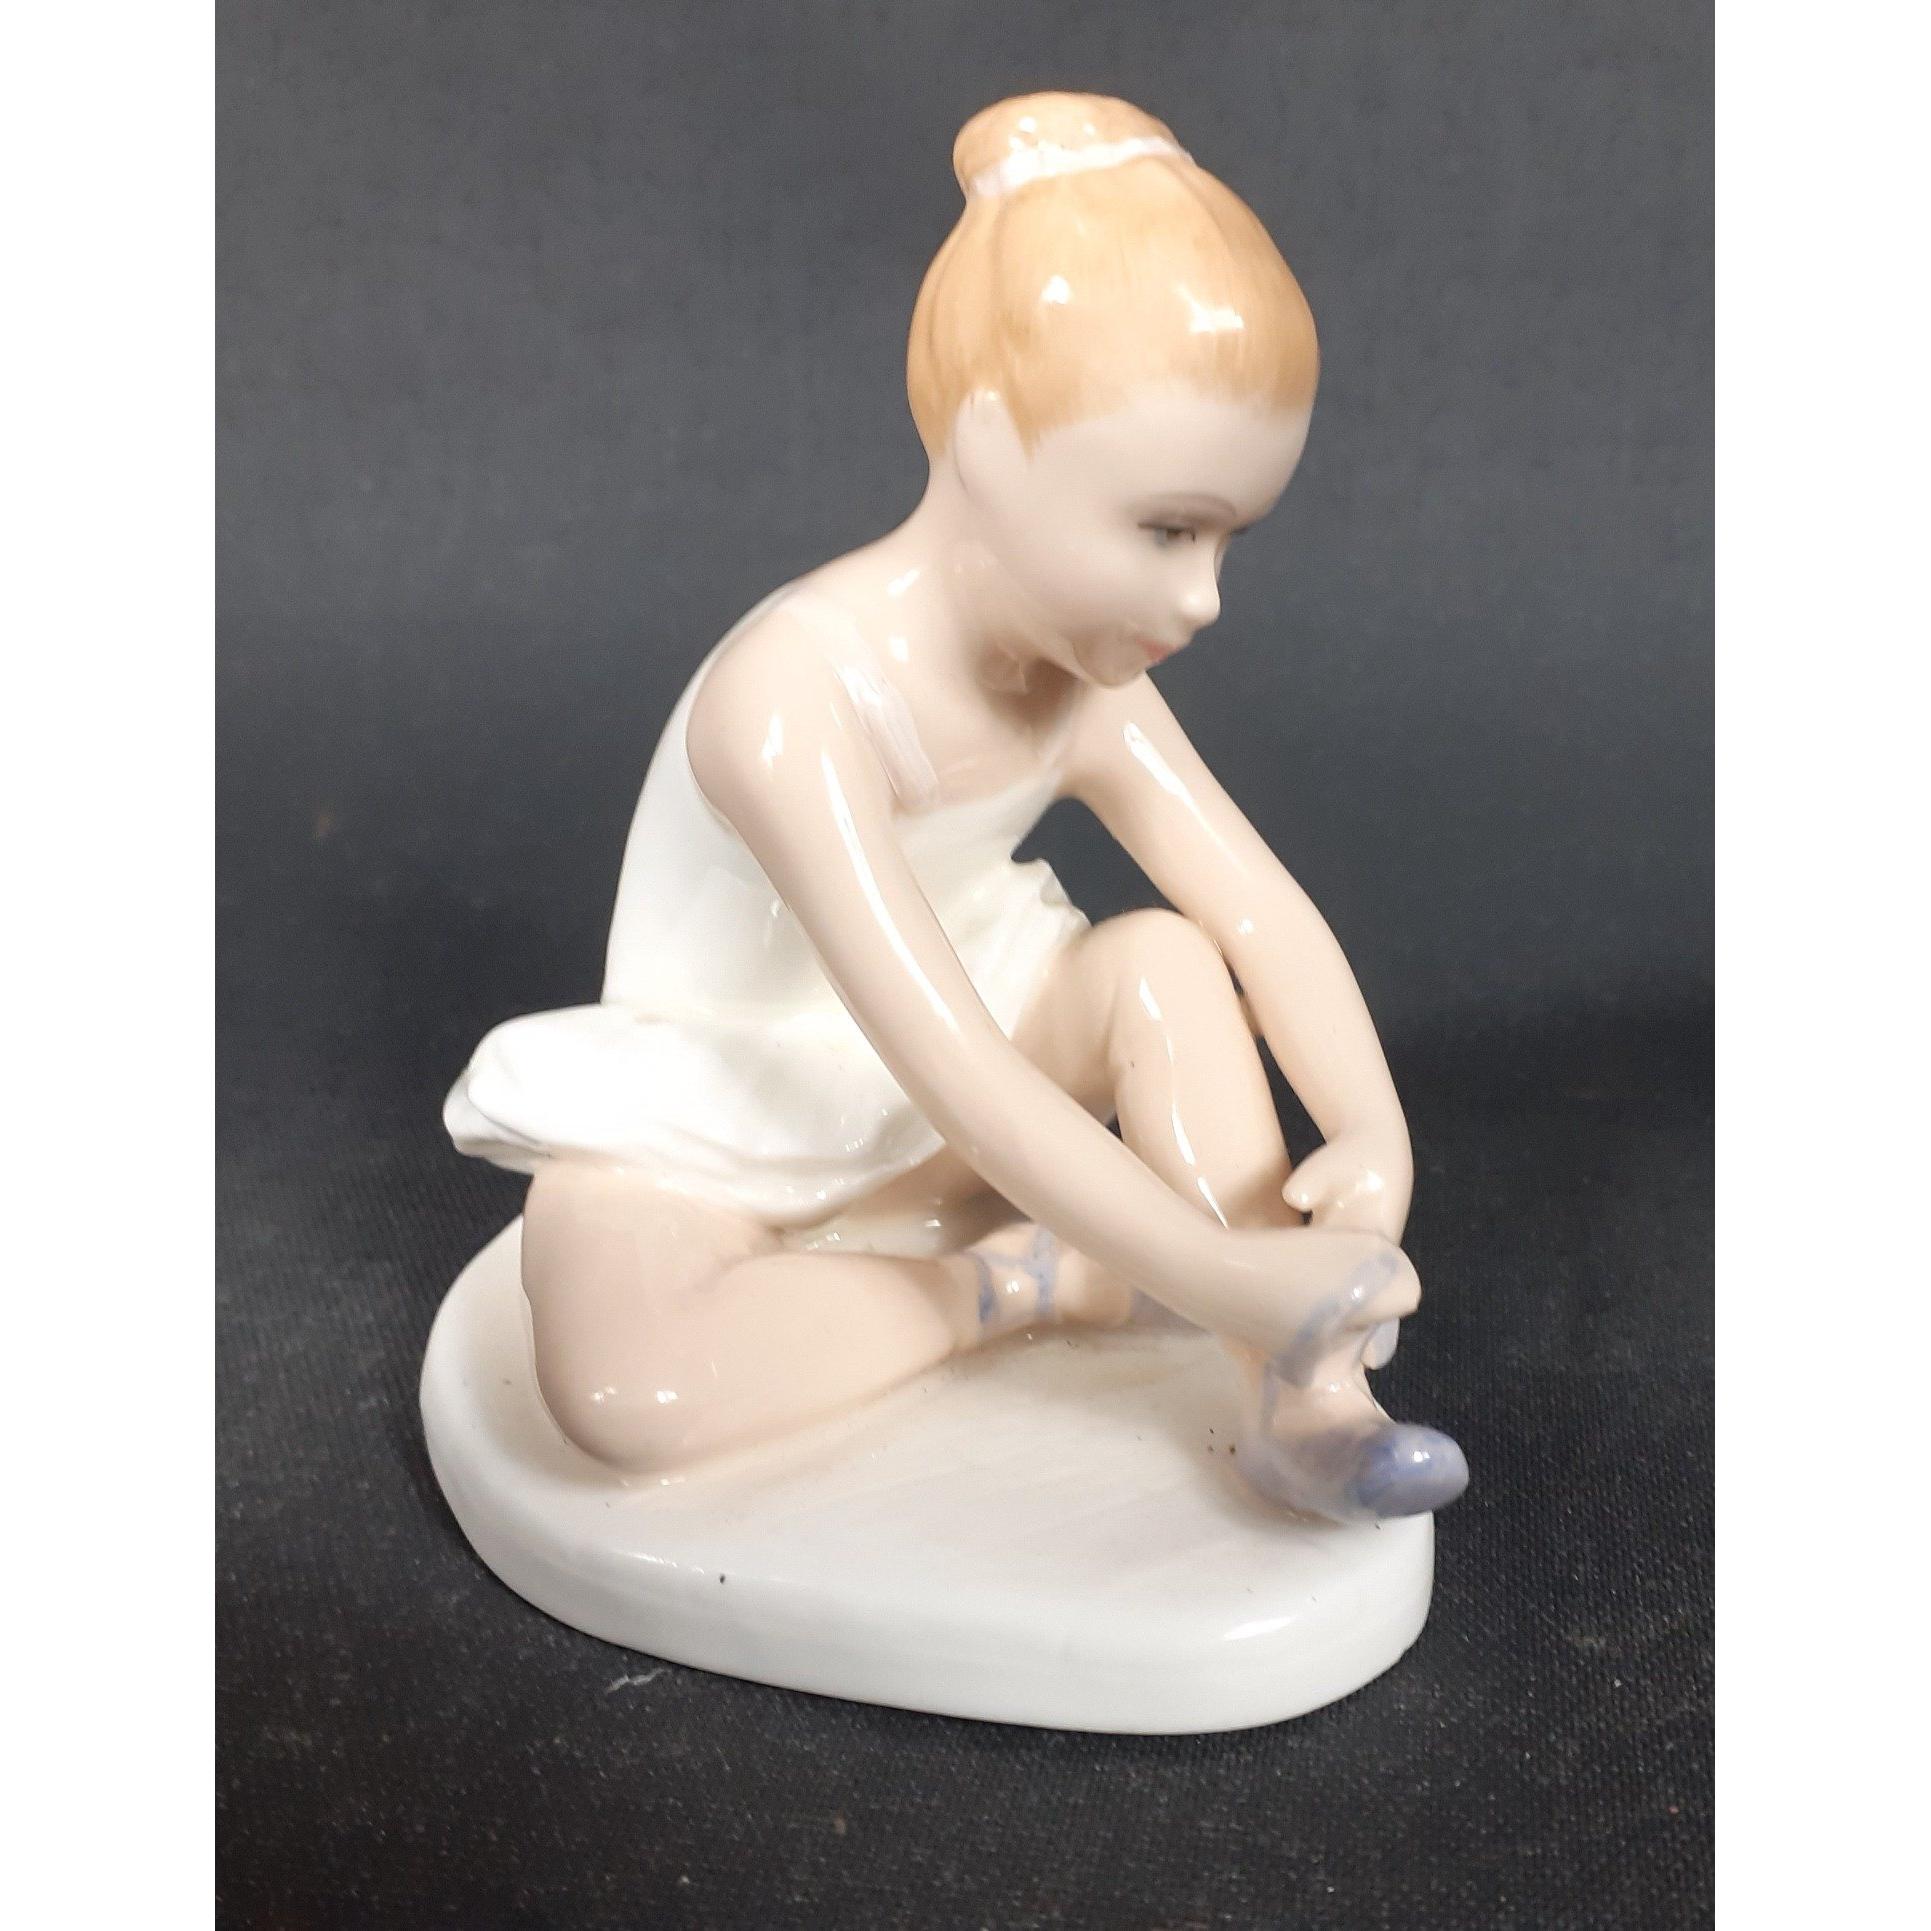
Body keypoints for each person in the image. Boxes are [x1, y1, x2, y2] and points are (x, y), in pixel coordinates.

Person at [445, 92, 1468, 1523]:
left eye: (1230, 540)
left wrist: (1370, 1129)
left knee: (1165, 965)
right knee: (631, 1396)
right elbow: (953, 1068)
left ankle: (1307, 1398)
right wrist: (1214, 1268)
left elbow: (1257, 909)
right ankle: (1020, 1282)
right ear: (987, 442)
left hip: (973, 1075)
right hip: (736, 1109)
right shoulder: (792, 699)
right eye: (1166, 530)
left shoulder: (1091, 682)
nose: (1202, 598)